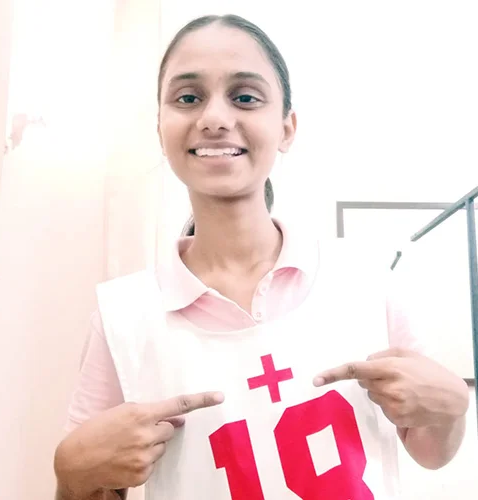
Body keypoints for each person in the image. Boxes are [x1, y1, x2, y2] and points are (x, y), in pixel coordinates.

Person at [53, 14, 469, 500]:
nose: (214, 118)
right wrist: (71, 477)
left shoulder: (367, 280)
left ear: (287, 128)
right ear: (161, 128)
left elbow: (432, 452)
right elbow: (93, 480)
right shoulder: (122, 316)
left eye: (245, 97)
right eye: (187, 98)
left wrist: (453, 409)